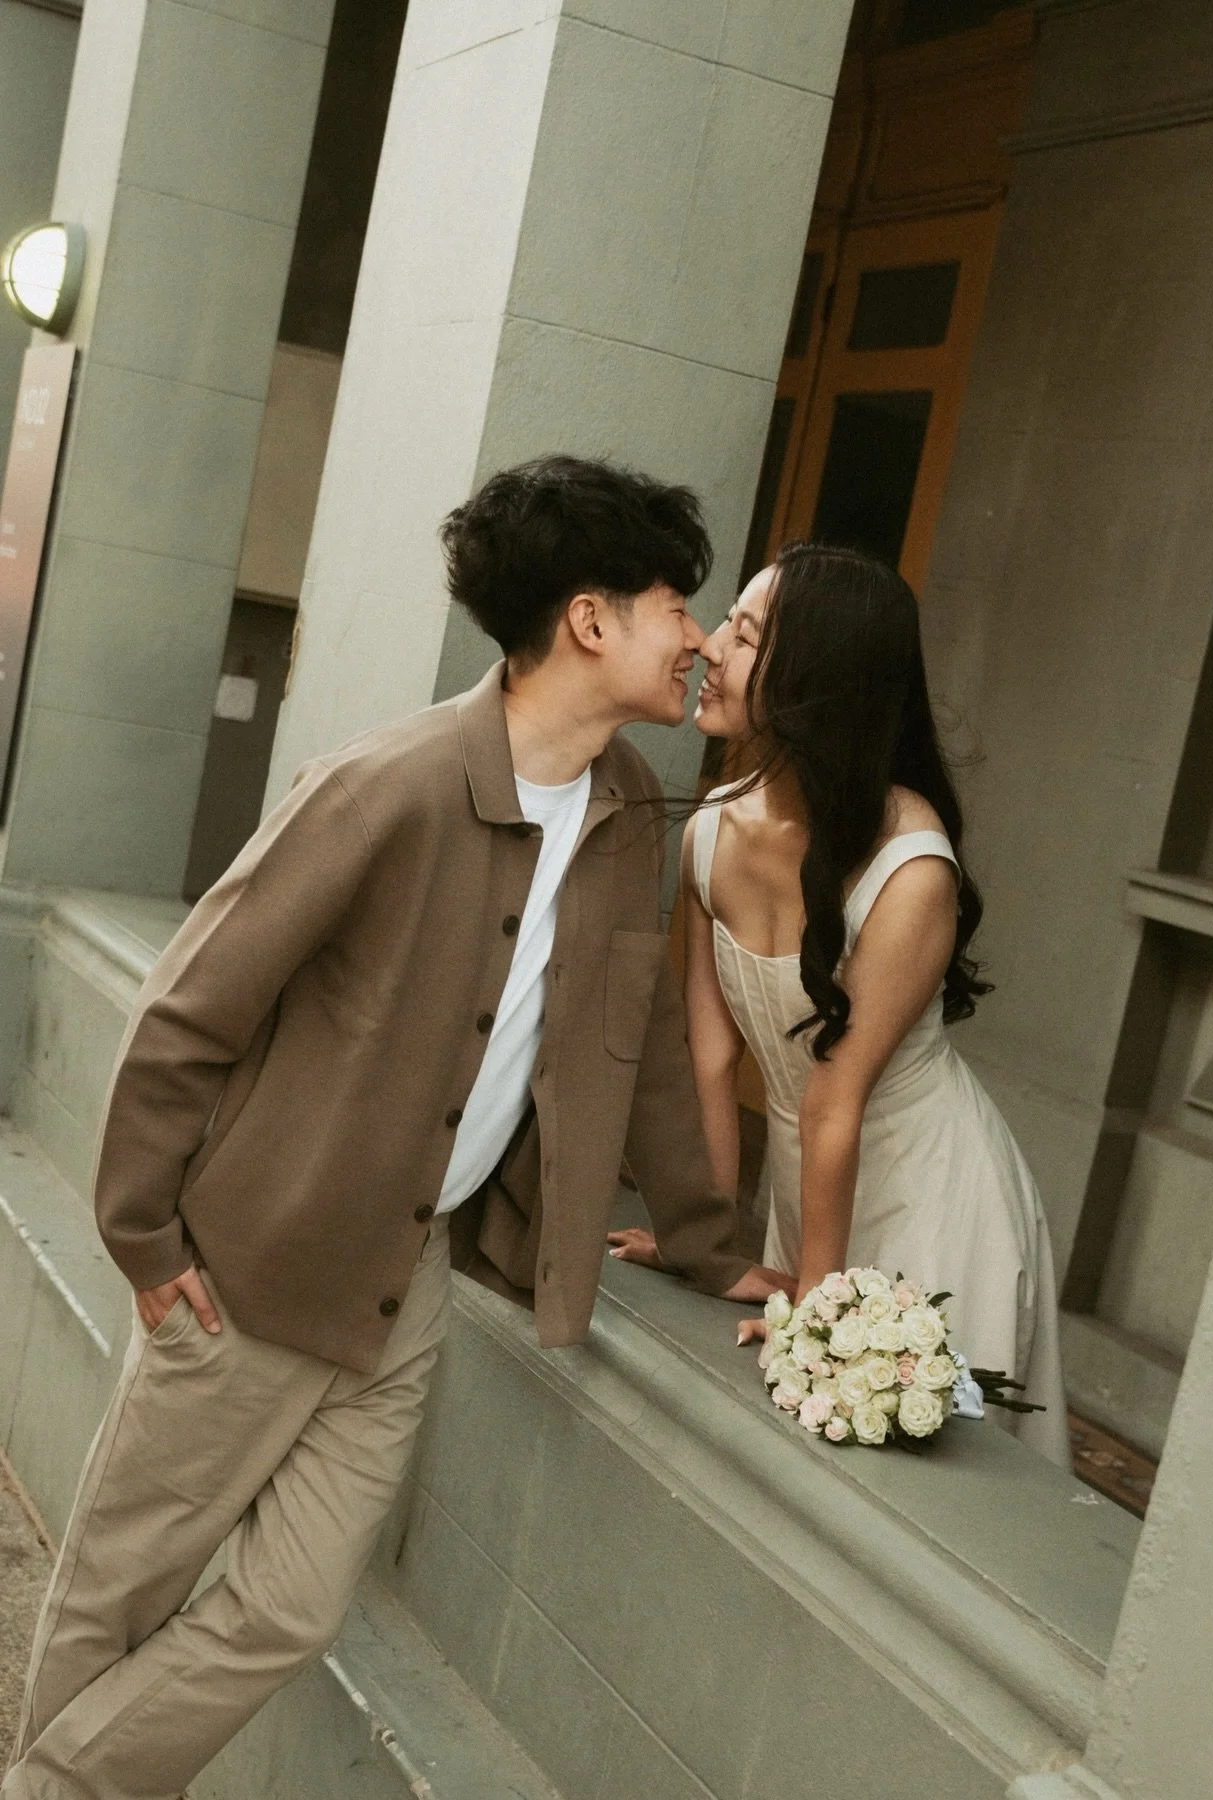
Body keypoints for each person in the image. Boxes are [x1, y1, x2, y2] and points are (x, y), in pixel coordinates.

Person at [4, 455, 785, 1800]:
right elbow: (190, 1010)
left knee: (294, 1609)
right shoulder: (387, 786)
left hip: (405, 1286)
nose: (700, 642)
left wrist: (714, 1244)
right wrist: (142, 1237)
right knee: (120, 1591)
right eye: (676, 606)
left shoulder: (626, 807)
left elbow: (641, 1041)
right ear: (591, 620)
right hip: (244, 1267)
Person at [610, 542, 1070, 1467]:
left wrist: (815, 1321)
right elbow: (708, 1058)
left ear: (814, 679)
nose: (710, 648)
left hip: (928, 1188)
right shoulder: (709, 829)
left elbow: (836, 1096)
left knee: (932, 1465)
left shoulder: (912, 867)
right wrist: (703, 1240)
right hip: (814, 1176)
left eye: (743, 634)